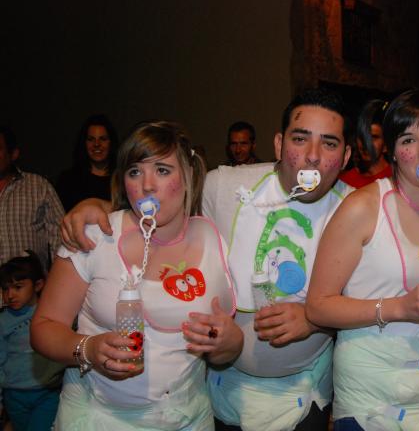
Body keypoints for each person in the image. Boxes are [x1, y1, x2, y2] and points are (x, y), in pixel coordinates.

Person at [58, 88, 354, 431]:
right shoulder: (222, 185)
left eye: (329, 143)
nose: (313, 156)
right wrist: (99, 206)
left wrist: (316, 320)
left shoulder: (358, 210)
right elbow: (163, 206)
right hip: (219, 393)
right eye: (300, 139)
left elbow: (371, 297)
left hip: (303, 395)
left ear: (346, 155)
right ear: (278, 144)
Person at [31, 121, 242, 429]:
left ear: (189, 175)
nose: (147, 185)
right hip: (97, 416)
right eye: (134, 172)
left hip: (186, 418)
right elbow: (43, 327)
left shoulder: (213, 241)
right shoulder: (94, 236)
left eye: (162, 170)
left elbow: (221, 349)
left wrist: (230, 343)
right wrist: (88, 348)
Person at [306, 89, 419, 430]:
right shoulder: (363, 207)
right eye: (408, 139)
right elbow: (317, 307)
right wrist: (399, 307)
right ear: (391, 150)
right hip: (372, 406)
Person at [1, 251, 64, 431]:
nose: (10, 295)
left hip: (46, 392)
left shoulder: (50, 312)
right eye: (5, 289)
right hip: (14, 394)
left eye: (18, 287)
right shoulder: (3, 321)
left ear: (38, 285)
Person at [0, 127, 64, 271]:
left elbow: (60, 237)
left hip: (29, 282)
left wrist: (57, 278)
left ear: (13, 154)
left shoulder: (38, 186)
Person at [56, 114, 119, 211]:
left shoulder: (122, 179)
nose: (97, 144)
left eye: (103, 139)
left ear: (111, 143)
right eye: (91, 139)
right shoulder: (68, 180)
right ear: (84, 144)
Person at [339, 99, 392, 188]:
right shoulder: (345, 181)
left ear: (385, 145)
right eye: (362, 136)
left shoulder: (398, 178)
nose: (366, 142)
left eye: (374, 137)